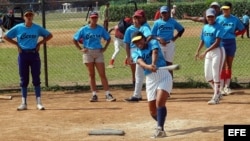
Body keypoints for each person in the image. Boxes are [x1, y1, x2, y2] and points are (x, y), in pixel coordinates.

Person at [3, 9, 53, 110]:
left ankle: (39, 102)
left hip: (34, 55)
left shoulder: (37, 28)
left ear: (33, 17)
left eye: (30, 15)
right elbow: (6, 36)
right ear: (24, 17)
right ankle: (24, 103)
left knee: (36, 78)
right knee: (23, 79)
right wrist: (17, 44)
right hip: (23, 55)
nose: (29, 17)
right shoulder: (18, 27)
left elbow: (49, 35)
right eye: (27, 15)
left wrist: (39, 43)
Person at [131, 31, 172, 138]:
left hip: (164, 76)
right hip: (150, 79)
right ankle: (161, 123)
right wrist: (148, 67)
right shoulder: (135, 52)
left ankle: (160, 129)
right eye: (135, 42)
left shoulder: (153, 43)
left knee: (159, 102)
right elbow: (140, 62)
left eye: (139, 40)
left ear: (144, 39)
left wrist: (153, 64)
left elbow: (155, 52)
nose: (138, 42)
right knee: (153, 111)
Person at [73, 11, 116, 102]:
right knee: (91, 74)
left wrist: (104, 48)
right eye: (92, 17)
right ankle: (94, 95)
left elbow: (108, 38)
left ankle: (107, 94)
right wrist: (80, 49)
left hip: (98, 51)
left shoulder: (100, 29)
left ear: (97, 18)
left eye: (95, 17)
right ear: (90, 18)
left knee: (102, 74)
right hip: (88, 52)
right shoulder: (84, 29)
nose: (94, 19)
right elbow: (74, 39)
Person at [195, 8, 225, 105]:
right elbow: (202, 40)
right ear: (206, 17)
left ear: (215, 17)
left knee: (216, 74)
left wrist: (205, 51)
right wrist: (198, 51)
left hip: (218, 51)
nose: (210, 18)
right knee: (208, 76)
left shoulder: (219, 27)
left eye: (212, 16)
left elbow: (217, 42)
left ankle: (216, 97)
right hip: (208, 52)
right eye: (208, 16)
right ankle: (218, 92)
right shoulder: (205, 27)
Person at [216, 1, 245, 96]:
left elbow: (243, 29)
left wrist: (235, 34)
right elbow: (214, 28)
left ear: (230, 9)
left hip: (231, 43)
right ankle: (221, 87)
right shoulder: (218, 19)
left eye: (227, 9)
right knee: (222, 65)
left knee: (229, 65)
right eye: (223, 9)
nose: (225, 10)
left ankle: (227, 87)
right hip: (221, 43)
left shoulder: (235, 19)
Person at [123, 10, 152, 102]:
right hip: (135, 51)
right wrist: (128, 56)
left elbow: (149, 36)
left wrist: (145, 45)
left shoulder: (145, 27)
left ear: (143, 18)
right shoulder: (130, 29)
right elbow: (127, 44)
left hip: (144, 51)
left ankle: (142, 94)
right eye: (135, 18)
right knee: (138, 74)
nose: (136, 20)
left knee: (146, 74)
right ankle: (137, 95)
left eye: (138, 17)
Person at [151, 6, 185, 78]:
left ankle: (170, 81)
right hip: (160, 45)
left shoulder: (173, 21)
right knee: (160, 63)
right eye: (162, 13)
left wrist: (175, 38)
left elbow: (181, 30)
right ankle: (161, 79)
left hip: (170, 44)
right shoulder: (157, 23)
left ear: (168, 13)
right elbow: (152, 35)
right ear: (160, 13)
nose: (164, 14)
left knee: (169, 63)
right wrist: (159, 39)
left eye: (165, 13)